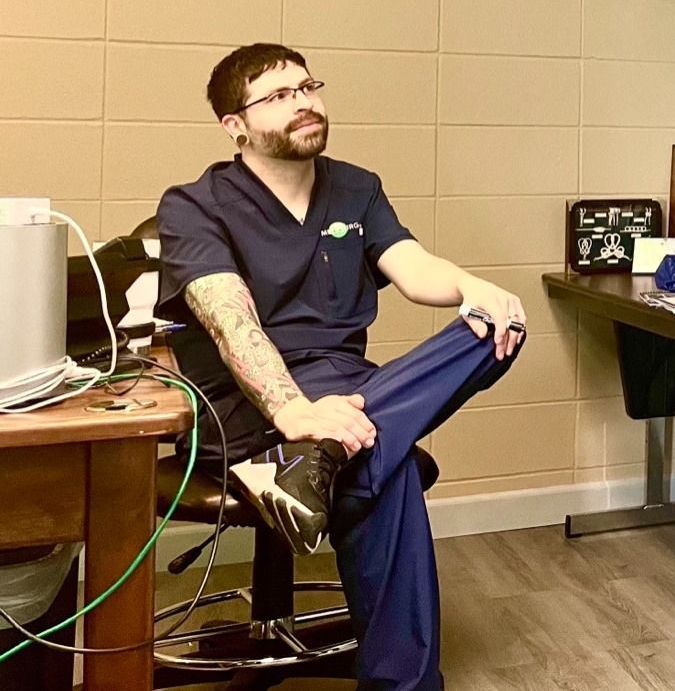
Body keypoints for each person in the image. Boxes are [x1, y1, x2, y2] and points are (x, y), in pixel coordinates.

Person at [155, 42, 527, 691]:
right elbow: (229, 320)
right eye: (278, 95)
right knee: (390, 463)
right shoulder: (194, 204)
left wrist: (472, 286)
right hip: (245, 398)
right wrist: (294, 411)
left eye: (308, 87)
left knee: (496, 328)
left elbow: (411, 267)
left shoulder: (356, 189)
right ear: (234, 125)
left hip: (347, 387)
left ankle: (312, 459)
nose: (304, 102)